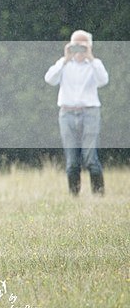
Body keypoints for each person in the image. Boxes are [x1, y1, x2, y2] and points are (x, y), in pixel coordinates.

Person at [44, 29, 109, 196]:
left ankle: (98, 194)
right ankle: (74, 195)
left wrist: (90, 57)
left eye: (82, 45)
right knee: (72, 161)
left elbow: (103, 80)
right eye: (76, 45)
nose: (79, 49)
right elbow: (50, 79)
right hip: (67, 114)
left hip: (90, 113)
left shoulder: (95, 64)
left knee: (90, 157)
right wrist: (65, 59)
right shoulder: (64, 65)